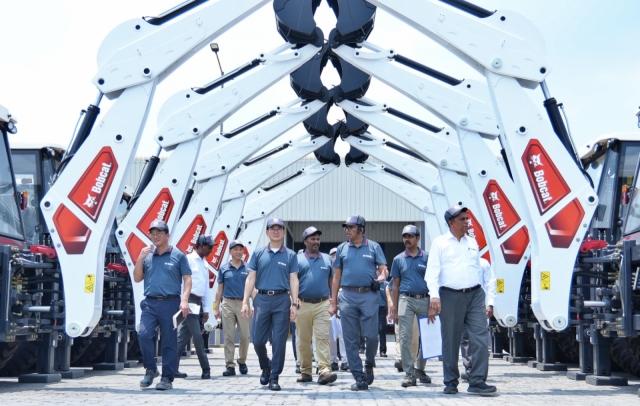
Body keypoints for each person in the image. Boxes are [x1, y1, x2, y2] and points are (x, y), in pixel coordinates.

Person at [426, 205, 498, 395]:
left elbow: (480, 272)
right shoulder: (440, 243)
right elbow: (432, 272)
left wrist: (488, 300)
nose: (467, 222)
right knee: (451, 340)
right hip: (450, 295)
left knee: (481, 338)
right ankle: (450, 381)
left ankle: (477, 381)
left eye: (467, 219)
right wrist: (434, 295)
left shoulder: (472, 243)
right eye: (462, 219)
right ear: (451, 223)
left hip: (475, 295)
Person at [329, 215, 387, 391]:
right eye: (345, 227)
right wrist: (333, 302)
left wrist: (383, 276)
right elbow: (336, 276)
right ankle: (359, 375)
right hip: (347, 296)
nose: (347, 230)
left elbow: (384, 269)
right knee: (350, 338)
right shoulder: (341, 249)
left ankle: (369, 363)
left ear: (361, 229)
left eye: (350, 227)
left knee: (372, 336)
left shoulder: (374, 247)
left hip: (369, 295)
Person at [241, 217, 299, 391]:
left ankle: (274, 376)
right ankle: (265, 366)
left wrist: (294, 304)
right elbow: (250, 279)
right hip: (262, 299)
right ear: (266, 232)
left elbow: (294, 280)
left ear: (283, 232)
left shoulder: (290, 255)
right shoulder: (258, 254)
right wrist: (245, 302)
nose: (275, 231)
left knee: (279, 341)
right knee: (257, 340)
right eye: (272, 228)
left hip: (282, 300)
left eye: (279, 228)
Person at [133, 220, 192, 391]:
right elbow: (137, 278)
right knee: (144, 334)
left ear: (167, 235)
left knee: (169, 341)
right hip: (150, 303)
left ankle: (167, 377)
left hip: (171, 303)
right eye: (152, 233)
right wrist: (139, 259)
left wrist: (184, 299)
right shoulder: (148, 256)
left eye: (159, 233)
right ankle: (151, 369)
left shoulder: (178, 256)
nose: (155, 236)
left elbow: (187, 279)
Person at [295, 226, 338, 385]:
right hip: (302, 304)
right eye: (312, 239)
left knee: (322, 338)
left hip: (322, 304)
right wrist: (293, 300)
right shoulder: (297, 259)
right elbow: (291, 281)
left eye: (318, 239)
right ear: (305, 241)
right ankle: (306, 371)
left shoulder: (327, 259)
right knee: (303, 340)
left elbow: (332, 282)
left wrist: (333, 302)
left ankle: (325, 370)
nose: (316, 241)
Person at [390, 225, 431, 387]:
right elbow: (395, 286)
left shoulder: (427, 258)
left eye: (410, 236)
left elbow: (434, 281)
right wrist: (394, 308)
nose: (407, 239)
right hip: (405, 300)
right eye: (404, 236)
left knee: (427, 338)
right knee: (405, 337)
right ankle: (409, 373)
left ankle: (420, 368)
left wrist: (434, 303)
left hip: (425, 300)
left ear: (418, 238)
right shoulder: (398, 259)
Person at [174, 234, 214, 380]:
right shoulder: (188, 259)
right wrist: (182, 301)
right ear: (201, 245)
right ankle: (206, 368)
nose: (211, 250)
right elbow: (181, 283)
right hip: (188, 300)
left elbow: (205, 288)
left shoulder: (205, 263)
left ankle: (172, 367)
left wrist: (206, 309)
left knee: (183, 337)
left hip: (197, 302)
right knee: (197, 334)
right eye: (209, 247)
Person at [215, 239, 251, 377]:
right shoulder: (224, 269)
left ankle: (242, 361)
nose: (238, 252)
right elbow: (219, 289)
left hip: (244, 304)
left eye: (240, 249)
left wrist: (253, 303)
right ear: (230, 252)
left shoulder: (248, 268)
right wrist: (216, 307)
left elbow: (252, 287)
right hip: (228, 303)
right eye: (235, 249)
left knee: (245, 336)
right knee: (229, 336)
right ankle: (230, 365)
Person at [460, 257, 496, 381]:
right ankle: (469, 369)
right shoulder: (458, 261)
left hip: (479, 305)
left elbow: (491, 283)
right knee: (465, 338)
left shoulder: (483, 263)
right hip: (461, 304)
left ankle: (479, 370)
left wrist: (490, 304)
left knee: (480, 339)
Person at [386, 280, 419, 373]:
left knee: (414, 335)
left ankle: (411, 360)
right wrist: (391, 304)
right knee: (399, 333)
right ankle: (399, 358)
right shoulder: (402, 267)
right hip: (403, 301)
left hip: (417, 302)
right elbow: (388, 288)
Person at [377, 278, 388, 358]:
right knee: (372, 330)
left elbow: (388, 298)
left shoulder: (386, 284)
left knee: (382, 329)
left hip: (382, 308)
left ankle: (382, 351)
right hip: (372, 308)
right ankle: (371, 350)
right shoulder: (372, 282)